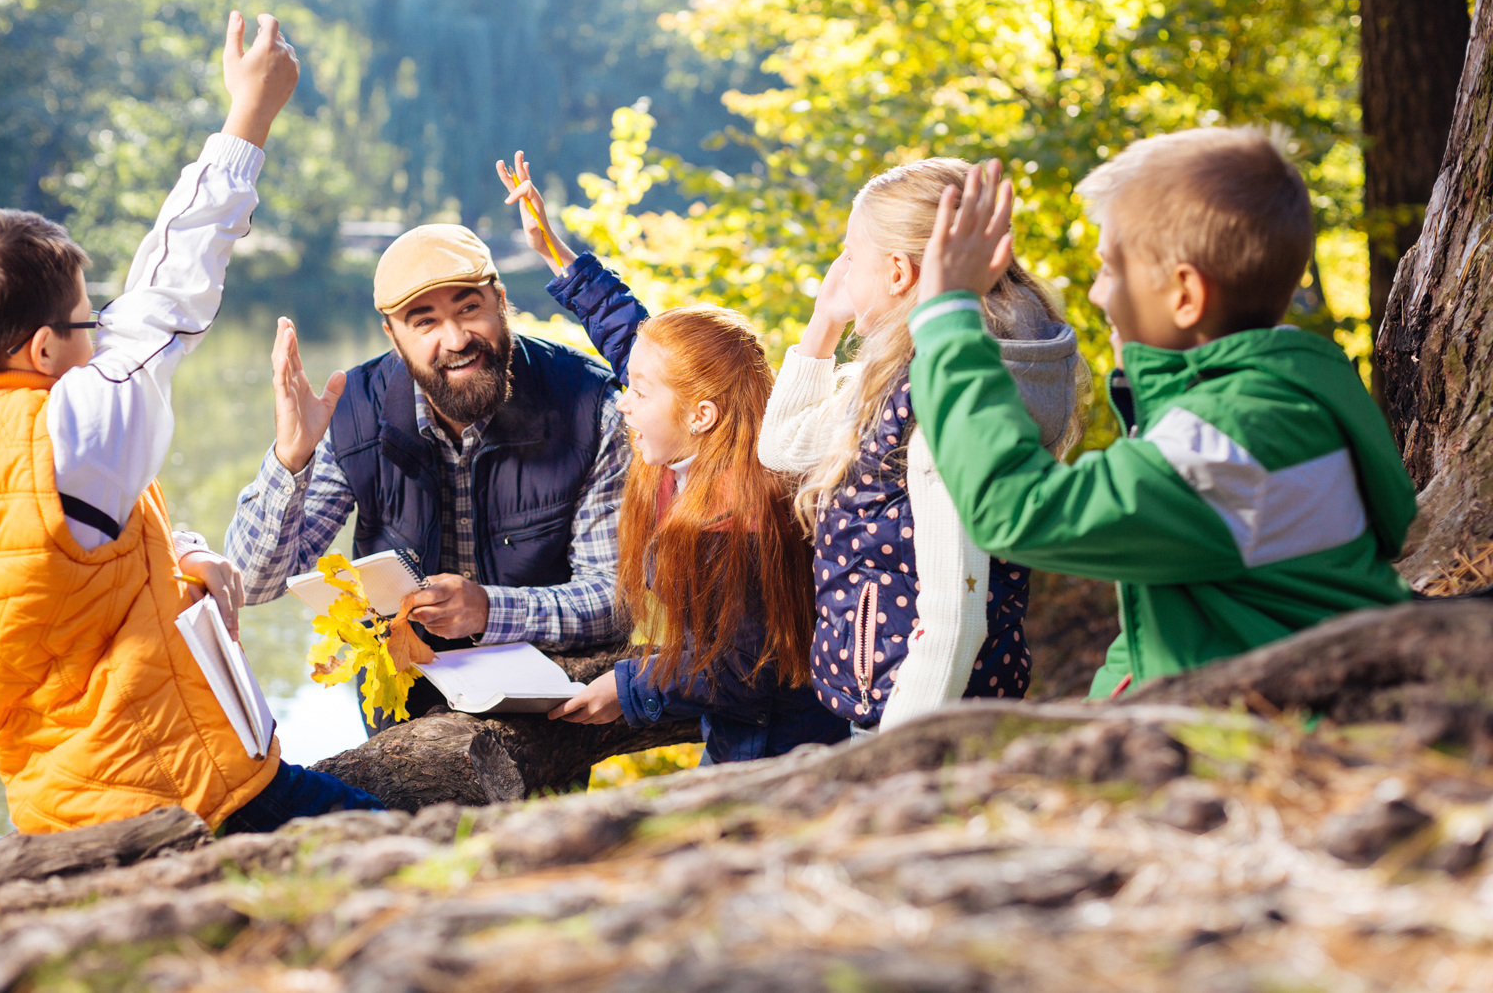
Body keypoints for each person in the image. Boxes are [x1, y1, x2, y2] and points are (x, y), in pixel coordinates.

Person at [0, 12, 385, 834]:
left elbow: (52, 580)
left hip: (58, 797)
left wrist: (183, 553)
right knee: (413, 852)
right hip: (184, 789)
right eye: (91, 322)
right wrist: (248, 117)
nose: (103, 333)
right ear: (44, 349)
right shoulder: (72, 429)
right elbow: (168, 295)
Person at [910, 129, 1418, 698]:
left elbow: (1017, 509)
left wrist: (948, 317)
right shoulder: (1280, 398)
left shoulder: (1236, 443)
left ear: (1183, 296)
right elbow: (1153, 636)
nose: (1099, 294)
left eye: (1109, 269)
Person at [496, 154, 849, 761]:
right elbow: (632, 338)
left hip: (774, 750)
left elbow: (744, 667)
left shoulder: (737, 520)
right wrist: (554, 250)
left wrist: (630, 689)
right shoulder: (700, 434)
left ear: (700, 415)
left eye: (637, 391)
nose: (622, 402)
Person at [223, 227, 631, 734]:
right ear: (393, 336)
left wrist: (488, 609)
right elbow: (254, 583)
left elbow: (615, 601)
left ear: (501, 302)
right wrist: (290, 458)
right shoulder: (349, 412)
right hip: (399, 700)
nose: (456, 340)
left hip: (546, 704)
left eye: (468, 309)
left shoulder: (593, 407)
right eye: (425, 322)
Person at [756, 158, 1085, 735]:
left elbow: (956, 616)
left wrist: (894, 758)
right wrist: (822, 327)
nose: (839, 272)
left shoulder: (937, 407)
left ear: (900, 274)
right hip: (908, 704)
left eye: (851, 256)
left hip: (916, 720)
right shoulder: (905, 375)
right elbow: (781, 446)